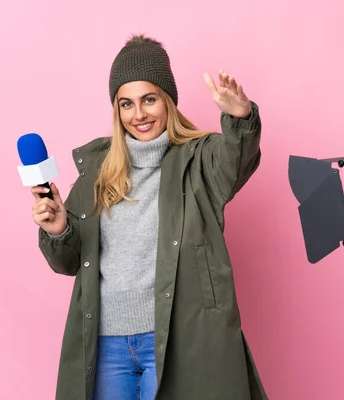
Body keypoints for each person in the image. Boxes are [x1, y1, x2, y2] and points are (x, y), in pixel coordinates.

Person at [30, 34, 268, 400]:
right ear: (117, 110)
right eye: (126, 104)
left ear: (167, 100)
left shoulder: (200, 161)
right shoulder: (96, 171)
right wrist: (59, 228)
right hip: (107, 346)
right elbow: (68, 262)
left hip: (174, 342)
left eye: (149, 99)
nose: (138, 114)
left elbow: (238, 160)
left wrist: (240, 118)